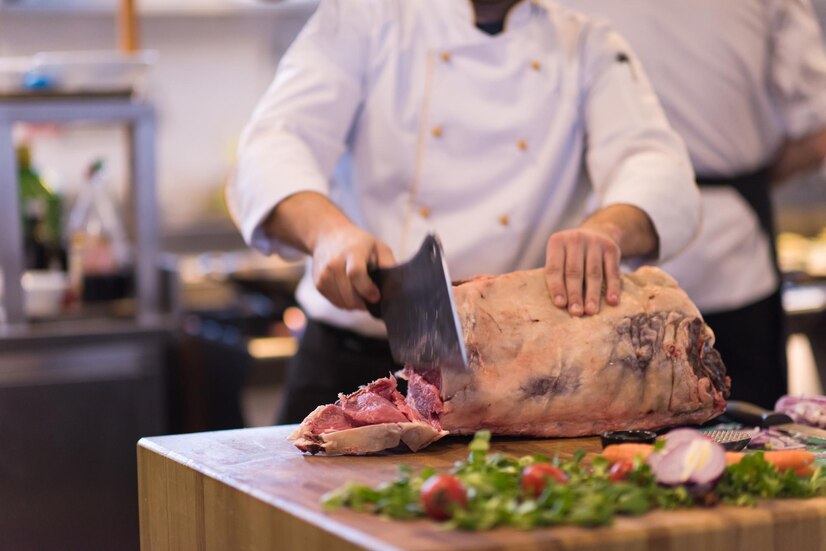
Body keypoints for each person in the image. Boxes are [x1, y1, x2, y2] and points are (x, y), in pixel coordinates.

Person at [227, 0, 701, 424]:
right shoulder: (363, 16)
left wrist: (609, 228)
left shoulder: (586, 42)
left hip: (516, 377)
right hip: (352, 367)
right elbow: (274, 142)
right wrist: (327, 233)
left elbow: (654, 162)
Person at [555, 0, 826, 408]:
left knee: (618, 452)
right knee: (747, 447)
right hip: (630, 257)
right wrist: (748, 180)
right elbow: (818, 128)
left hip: (626, 263)